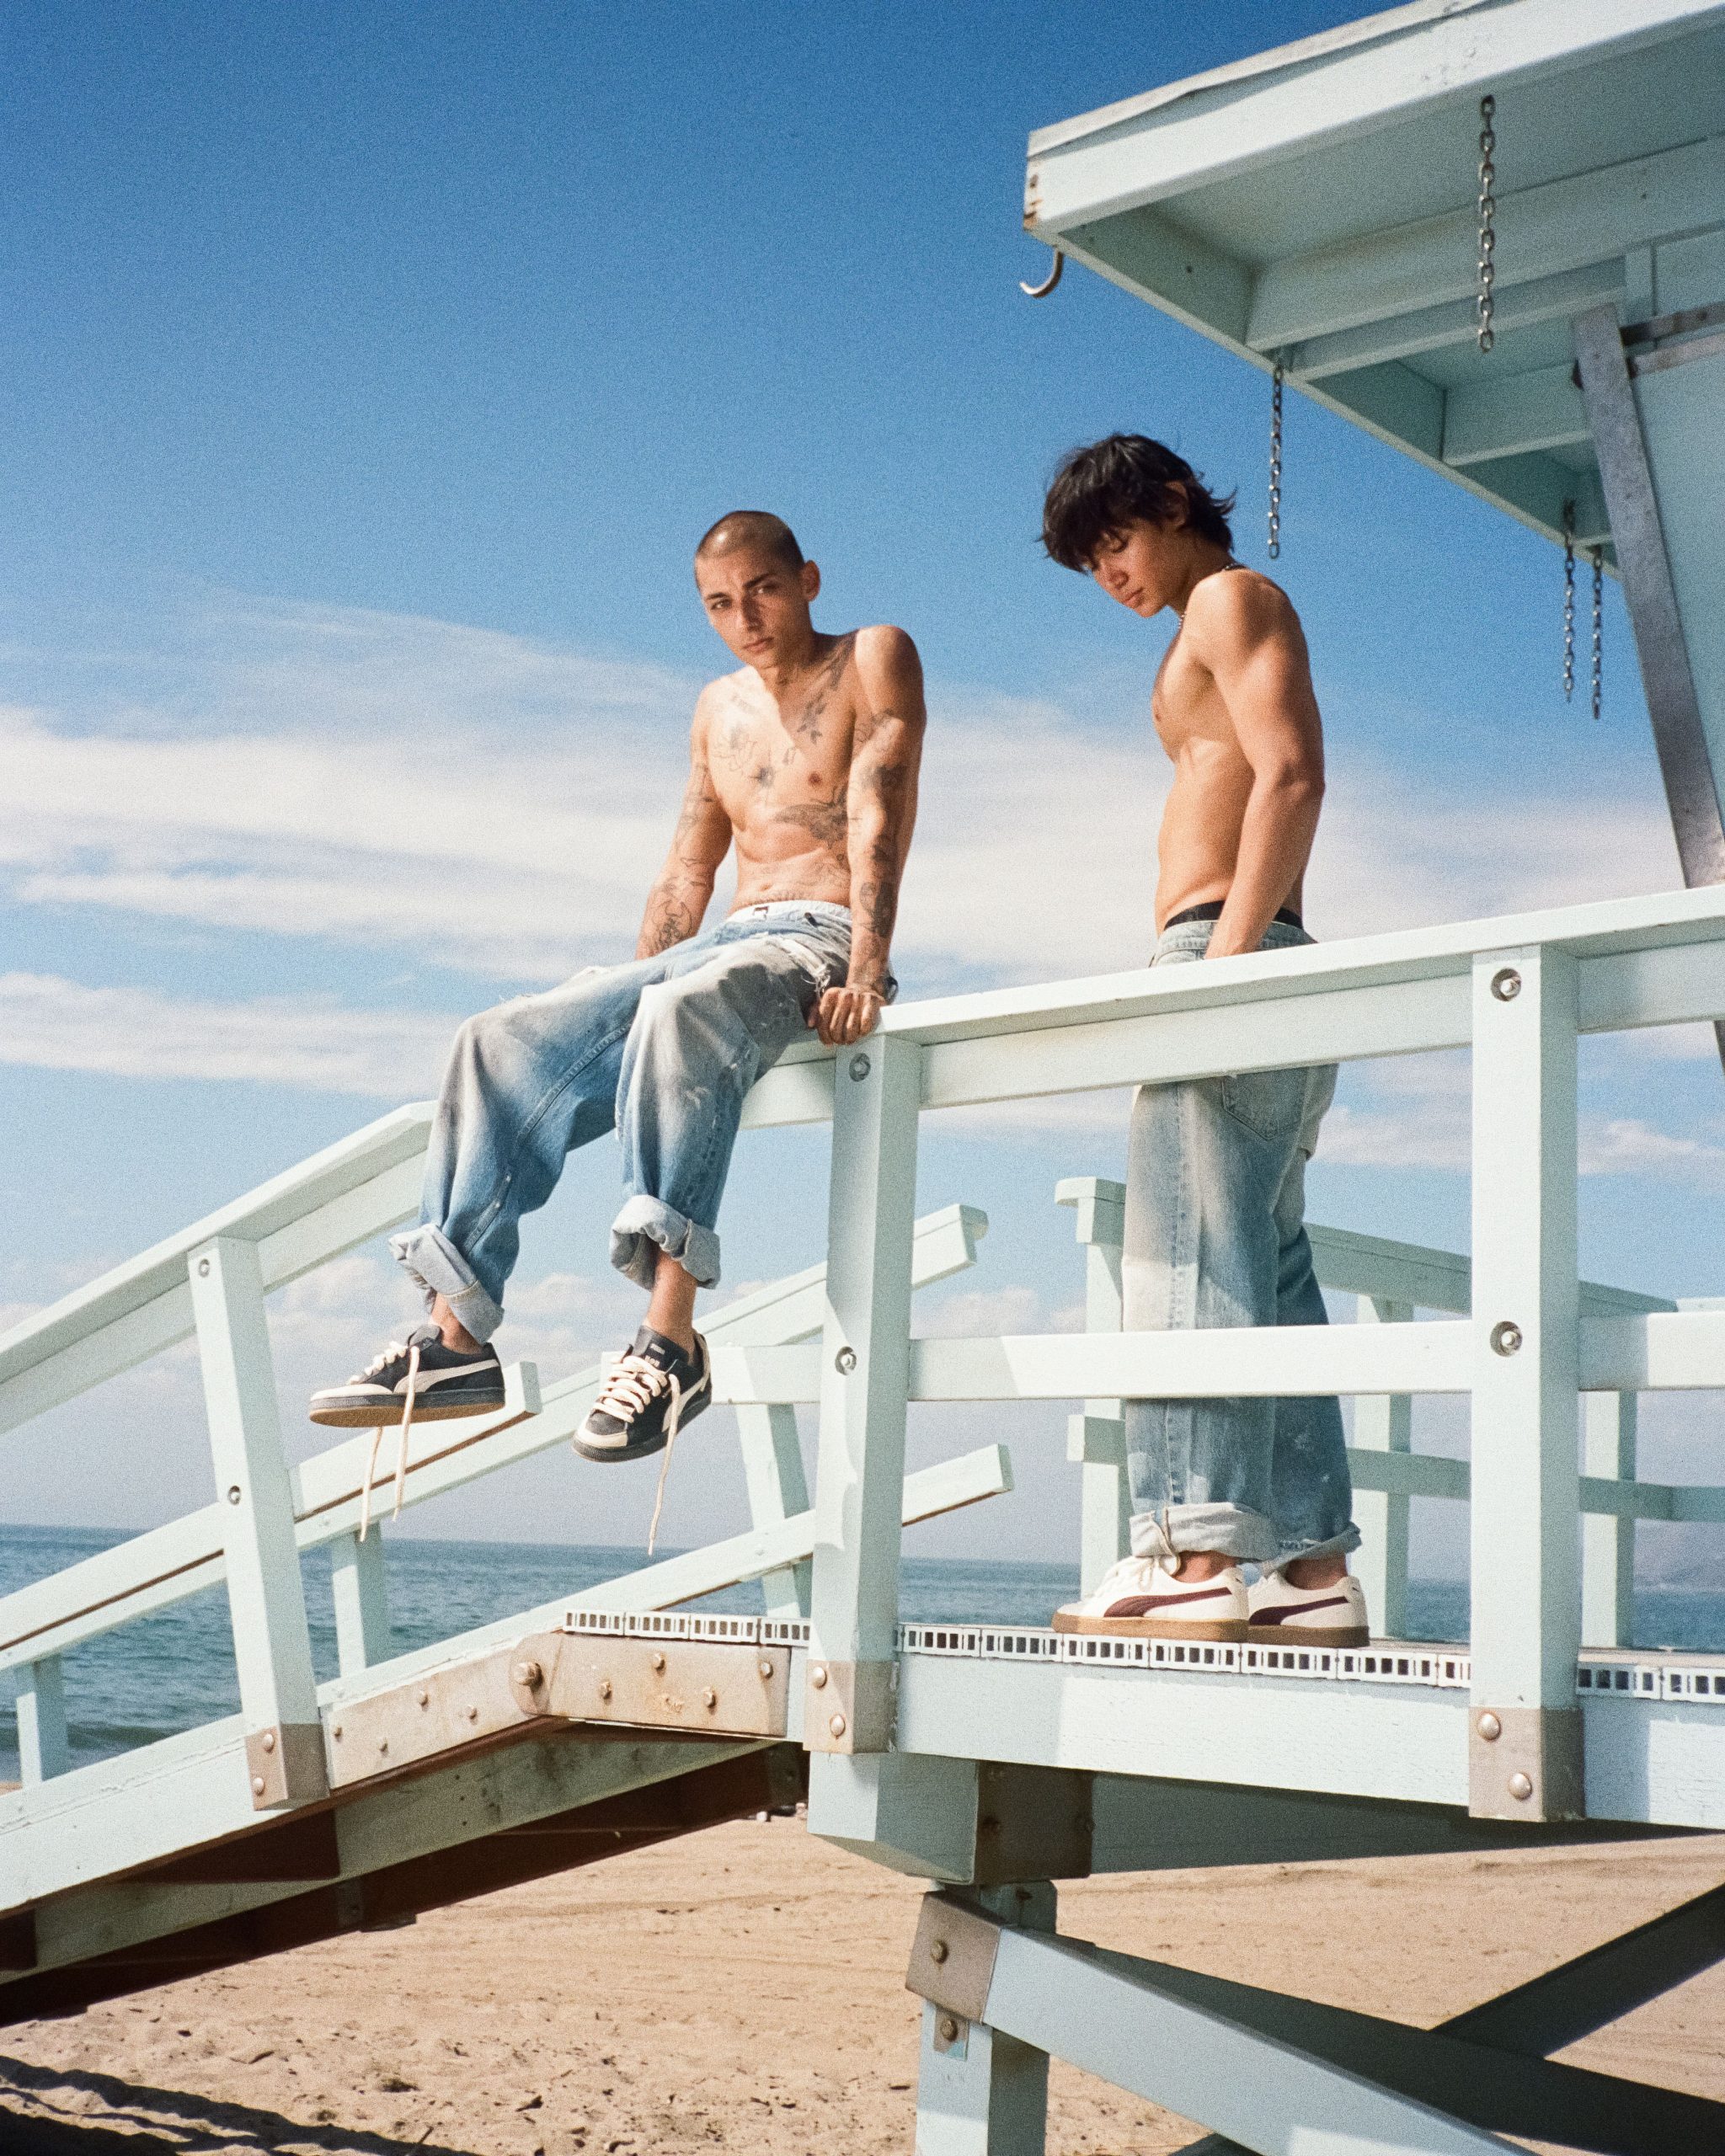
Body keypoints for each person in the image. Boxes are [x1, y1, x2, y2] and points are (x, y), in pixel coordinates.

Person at [309, 511, 926, 1515]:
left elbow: (877, 813)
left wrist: (867, 966)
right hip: (713, 947)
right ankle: (455, 1335)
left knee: (682, 1009)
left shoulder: (870, 658)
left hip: (816, 937)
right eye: (720, 604)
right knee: (494, 1039)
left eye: (764, 591)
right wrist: (623, 999)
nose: (745, 618)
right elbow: (687, 869)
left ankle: (670, 1341)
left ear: (808, 579)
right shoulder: (715, 708)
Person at [1039, 435, 1365, 1647]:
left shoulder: (1231, 598)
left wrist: (1221, 968)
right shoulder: (1201, 624)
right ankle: (1309, 1566)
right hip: (1260, 950)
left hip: (1229, 949)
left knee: (1184, 1257)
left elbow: (1292, 776)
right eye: (1089, 564)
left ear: (1174, 503)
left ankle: (1190, 1552)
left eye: (1116, 541)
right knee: (1265, 1267)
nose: (1109, 574)